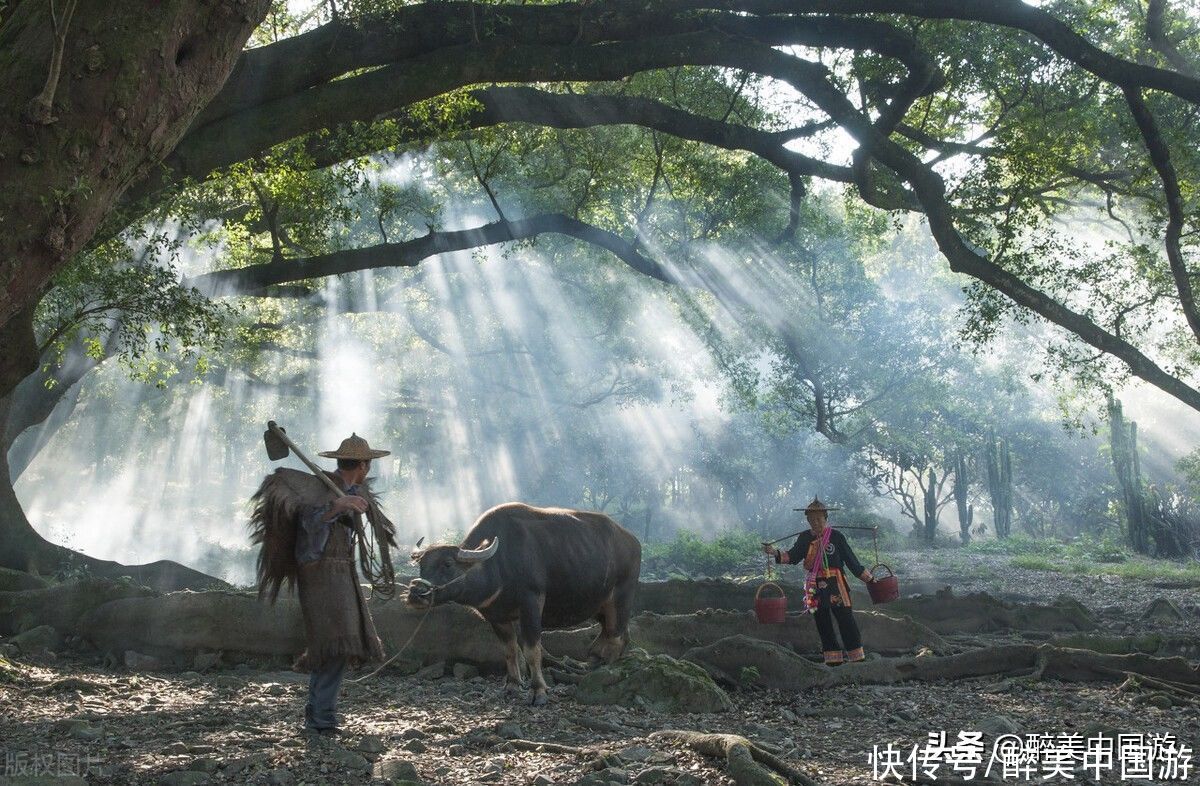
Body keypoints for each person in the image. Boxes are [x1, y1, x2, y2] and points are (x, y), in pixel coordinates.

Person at [249, 433, 395, 737]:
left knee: (335, 646)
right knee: (334, 644)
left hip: (343, 572)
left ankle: (318, 715)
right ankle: (321, 720)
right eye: (368, 464)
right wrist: (337, 507)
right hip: (320, 574)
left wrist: (353, 504)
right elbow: (309, 526)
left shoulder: (351, 489)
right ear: (364, 465)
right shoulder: (320, 489)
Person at [764, 497, 874, 666]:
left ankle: (856, 656)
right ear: (807, 520)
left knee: (845, 617)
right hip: (814, 584)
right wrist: (773, 552)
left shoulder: (836, 537)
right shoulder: (804, 538)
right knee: (821, 619)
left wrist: (869, 578)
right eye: (812, 519)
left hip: (836, 583)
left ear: (826, 518)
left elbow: (851, 560)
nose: (816, 522)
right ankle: (833, 658)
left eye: (819, 518)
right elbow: (792, 556)